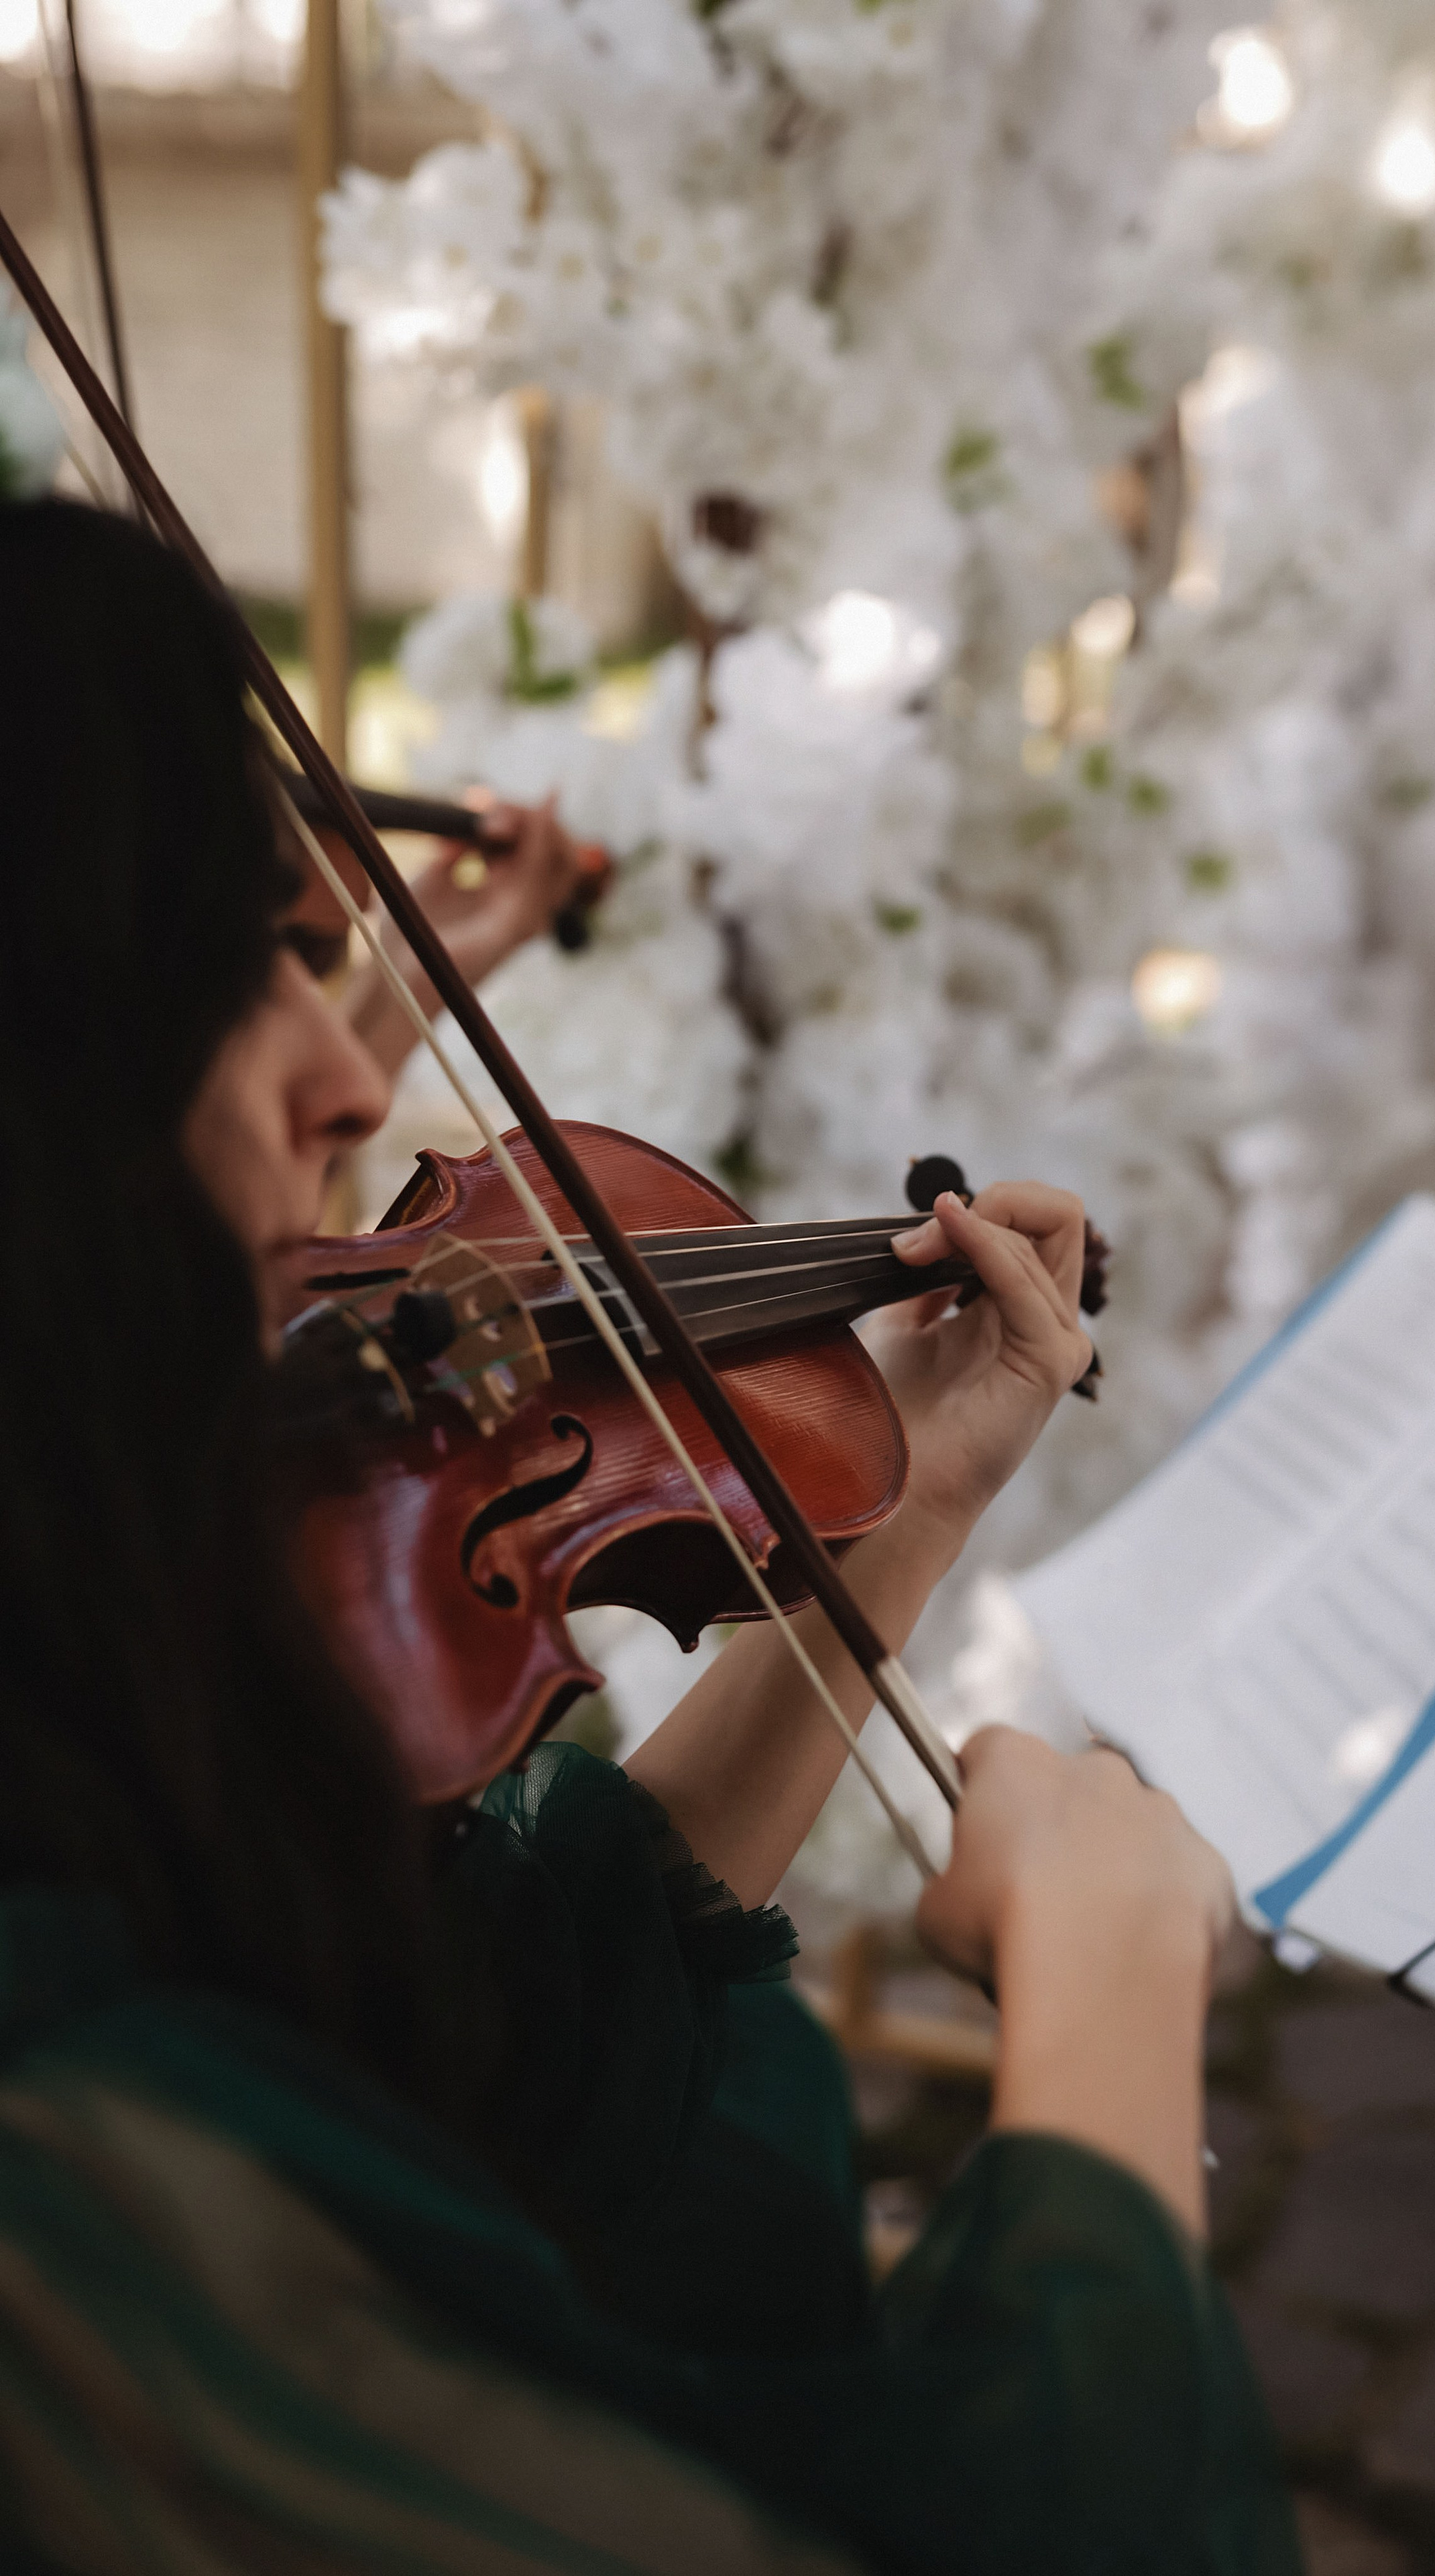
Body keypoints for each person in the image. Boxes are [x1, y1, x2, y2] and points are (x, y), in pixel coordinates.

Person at [0, 496, 1297, 2575]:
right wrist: (1112, 2010)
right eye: (232, 962)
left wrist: (924, 1484)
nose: (356, 1079)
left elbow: (526, 2024)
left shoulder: (91, 1670)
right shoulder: (76, 2155)